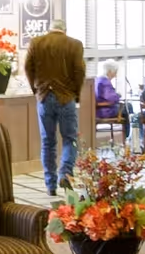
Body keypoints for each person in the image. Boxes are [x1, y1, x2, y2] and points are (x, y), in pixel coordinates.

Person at [23, 21, 86, 195]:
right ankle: (65, 173)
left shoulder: (36, 42)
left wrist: (36, 89)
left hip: (44, 97)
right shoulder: (74, 44)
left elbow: (28, 67)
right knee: (70, 139)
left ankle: (50, 184)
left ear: (50, 29)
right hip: (66, 98)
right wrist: (76, 93)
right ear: (65, 30)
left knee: (48, 142)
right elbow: (79, 71)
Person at [94, 60, 130, 145]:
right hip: (105, 111)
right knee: (128, 107)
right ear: (110, 71)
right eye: (115, 72)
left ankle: (128, 136)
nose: (115, 74)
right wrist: (118, 95)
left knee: (127, 107)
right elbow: (111, 98)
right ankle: (127, 137)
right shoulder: (105, 82)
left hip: (98, 110)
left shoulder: (97, 80)